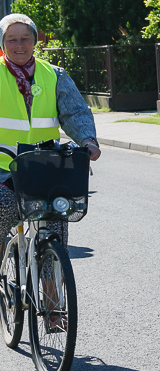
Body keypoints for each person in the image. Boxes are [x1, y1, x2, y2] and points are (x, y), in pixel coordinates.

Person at [0, 13, 101, 249]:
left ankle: (53, 279)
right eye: (12, 39)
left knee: (57, 213)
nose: (19, 45)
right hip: (3, 169)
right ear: (3, 44)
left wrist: (88, 140)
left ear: (35, 41)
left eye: (25, 38)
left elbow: (74, 112)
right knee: (3, 207)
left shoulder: (55, 75)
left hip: (44, 167)